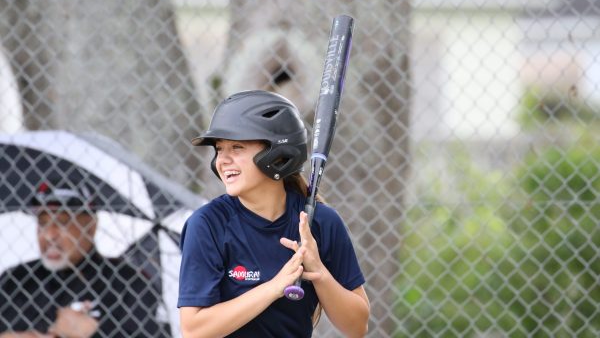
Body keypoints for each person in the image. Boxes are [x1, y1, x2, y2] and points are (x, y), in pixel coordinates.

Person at [178, 90, 370, 337]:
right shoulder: (207, 224)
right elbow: (194, 330)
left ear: (278, 154)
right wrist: (274, 287)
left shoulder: (319, 222)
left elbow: (357, 327)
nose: (222, 160)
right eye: (219, 149)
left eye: (236, 147)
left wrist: (319, 272)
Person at [0, 177, 171, 338]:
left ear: (91, 226)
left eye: (62, 222)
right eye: (43, 223)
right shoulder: (15, 280)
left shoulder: (129, 283)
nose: (49, 235)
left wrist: (94, 332)